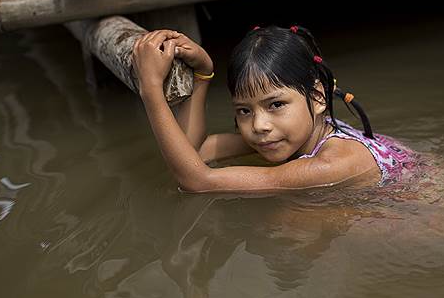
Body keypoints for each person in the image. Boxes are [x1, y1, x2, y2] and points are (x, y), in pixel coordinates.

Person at [132, 25, 420, 193]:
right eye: (244, 110)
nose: (259, 125)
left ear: (318, 97)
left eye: (276, 104)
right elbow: (191, 154)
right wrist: (203, 75)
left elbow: (197, 180)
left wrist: (151, 90)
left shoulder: (329, 164)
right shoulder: (296, 134)